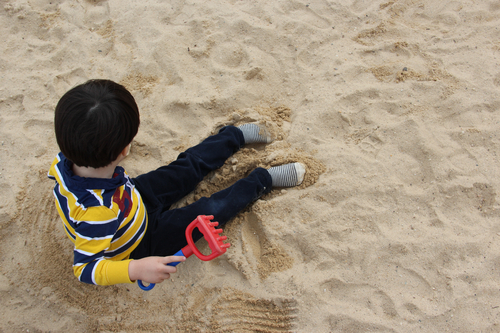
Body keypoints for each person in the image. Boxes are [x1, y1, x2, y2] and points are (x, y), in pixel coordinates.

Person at [48, 79, 306, 286]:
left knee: (186, 167)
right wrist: (136, 268)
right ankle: (264, 180)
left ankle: (234, 136)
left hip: (131, 197)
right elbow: (85, 269)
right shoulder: (97, 215)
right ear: (123, 150)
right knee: (210, 211)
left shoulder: (66, 159)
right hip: (141, 241)